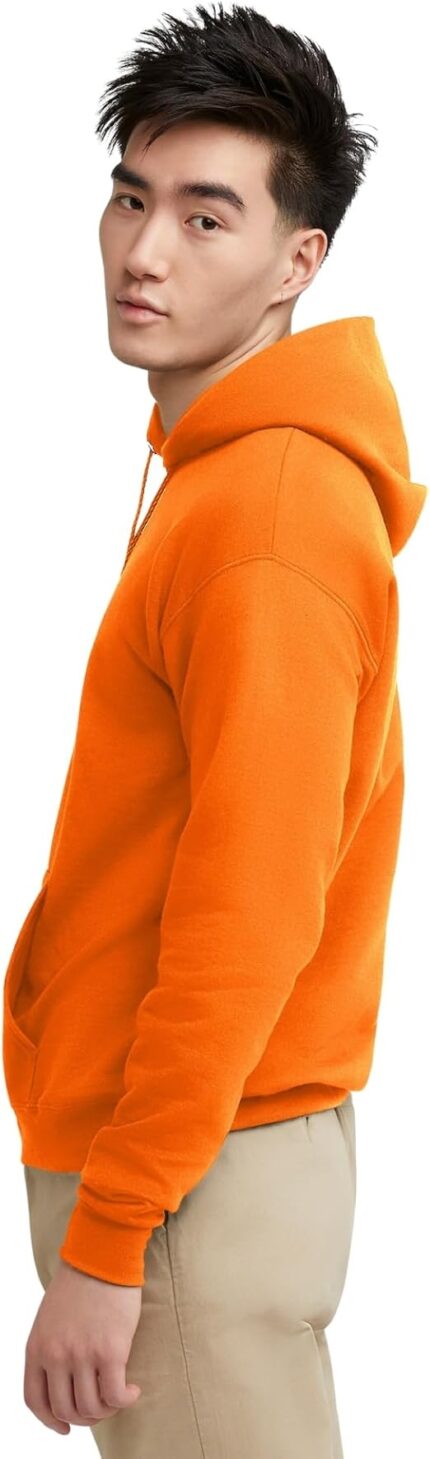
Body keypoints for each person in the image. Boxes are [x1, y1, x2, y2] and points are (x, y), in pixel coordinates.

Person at [2, 4, 427, 1456]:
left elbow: (249, 910)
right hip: (191, 1163)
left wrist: (114, 1235)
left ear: (298, 261)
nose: (145, 253)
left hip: (190, 1189)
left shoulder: (268, 519)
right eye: (130, 198)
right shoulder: (217, 483)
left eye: (205, 215)